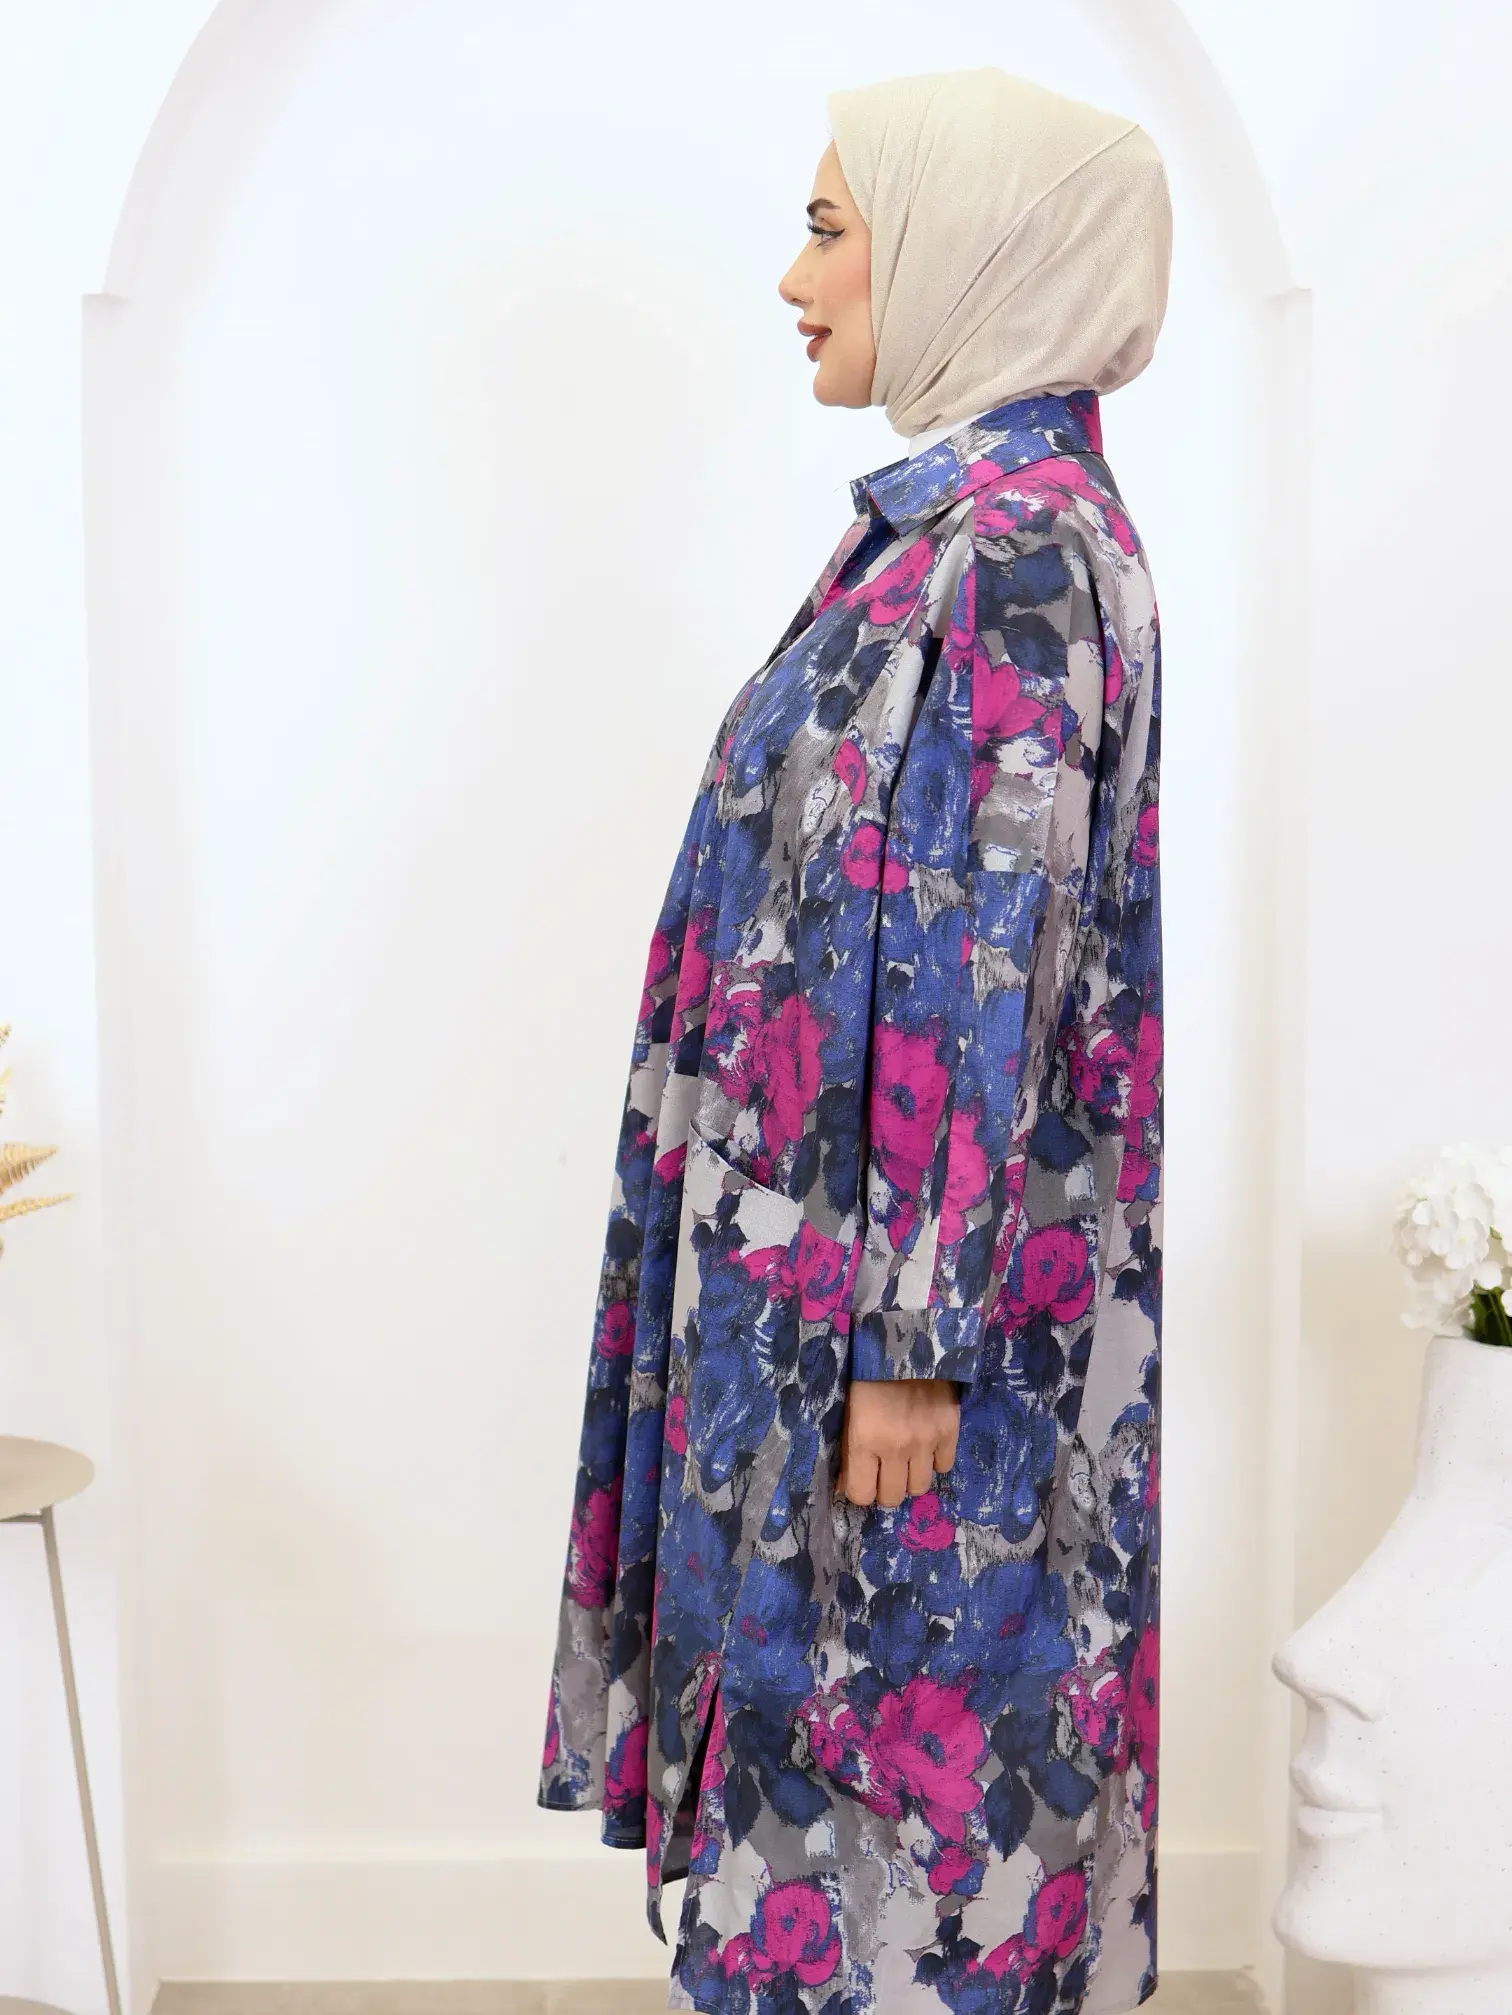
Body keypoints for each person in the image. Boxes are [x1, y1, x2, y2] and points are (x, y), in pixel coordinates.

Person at [539, 64, 1171, 2015]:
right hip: (834, 1309)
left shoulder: (1015, 554)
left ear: (976, 248)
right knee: (845, 1844)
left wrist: (906, 1342)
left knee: (892, 1850)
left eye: (831, 229)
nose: (792, 277)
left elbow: (986, 959)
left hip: (889, 1345)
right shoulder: (955, 531)